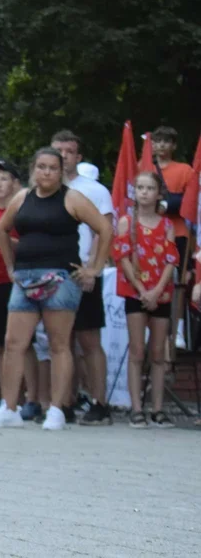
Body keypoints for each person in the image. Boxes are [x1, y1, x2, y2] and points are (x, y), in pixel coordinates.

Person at [0, 147, 113, 431]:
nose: (46, 172)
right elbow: (2, 230)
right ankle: (9, 407)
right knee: (14, 342)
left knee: (59, 344)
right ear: (33, 169)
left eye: (52, 168)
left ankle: (56, 409)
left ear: (60, 171)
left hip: (60, 278)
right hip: (25, 276)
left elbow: (104, 228)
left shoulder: (72, 198)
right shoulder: (22, 197)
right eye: (41, 167)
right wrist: (9, 266)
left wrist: (94, 268)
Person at [51, 130, 115, 426]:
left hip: (82, 270)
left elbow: (106, 232)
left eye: (69, 151)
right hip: (52, 272)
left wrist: (94, 270)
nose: (63, 155)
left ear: (78, 156)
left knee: (89, 340)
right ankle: (64, 401)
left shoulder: (95, 190)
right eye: (58, 150)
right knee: (61, 340)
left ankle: (100, 402)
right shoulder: (42, 189)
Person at [0, 160, 42, 421]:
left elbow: (31, 246)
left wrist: (3, 240)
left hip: (20, 280)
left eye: (4, 178)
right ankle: (7, 400)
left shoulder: (26, 208)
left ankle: (33, 399)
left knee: (25, 343)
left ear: (15, 182)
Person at [111, 172, 180, 428]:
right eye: (140, 187)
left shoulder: (168, 226)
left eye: (150, 188)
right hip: (135, 292)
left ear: (158, 193)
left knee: (158, 353)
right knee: (137, 350)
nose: (144, 192)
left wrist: (157, 290)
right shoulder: (126, 223)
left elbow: (171, 261)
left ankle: (158, 408)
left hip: (160, 293)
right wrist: (142, 289)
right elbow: (123, 257)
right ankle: (136, 408)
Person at [150, 126, 197, 351]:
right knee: (150, 277)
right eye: (157, 141)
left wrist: (167, 205)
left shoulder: (185, 170)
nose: (160, 146)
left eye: (166, 141)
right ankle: (151, 328)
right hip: (150, 233)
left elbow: (191, 202)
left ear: (174, 145)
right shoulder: (145, 168)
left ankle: (177, 329)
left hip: (178, 233)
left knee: (178, 281)